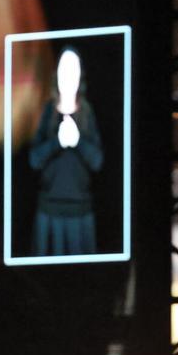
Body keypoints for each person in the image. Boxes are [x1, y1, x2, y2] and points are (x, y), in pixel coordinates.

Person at [27, 46, 104, 256]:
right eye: (64, 69)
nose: (68, 76)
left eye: (73, 70)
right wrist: (57, 142)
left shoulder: (87, 112)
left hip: (80, 215)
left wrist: (77, 141)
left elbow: (97, 161)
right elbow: (34, 160)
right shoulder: (47, 112)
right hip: (49, 215)